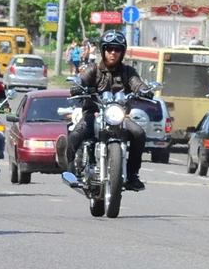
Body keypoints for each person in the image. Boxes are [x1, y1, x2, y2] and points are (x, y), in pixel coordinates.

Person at [61, 30, 147, 190]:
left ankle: (132, 174)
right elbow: (82, 79)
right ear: (103, 50)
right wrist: (78, 86)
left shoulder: (128, 72)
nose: (113, 52)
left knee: (139, 133)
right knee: (75, 135)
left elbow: (137, 83)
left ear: (122, 52)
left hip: (118, 116)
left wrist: (144, 90)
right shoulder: (93, 69)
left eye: (117, 49)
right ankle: (70, 171)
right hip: (94, 113)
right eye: (109, 48)